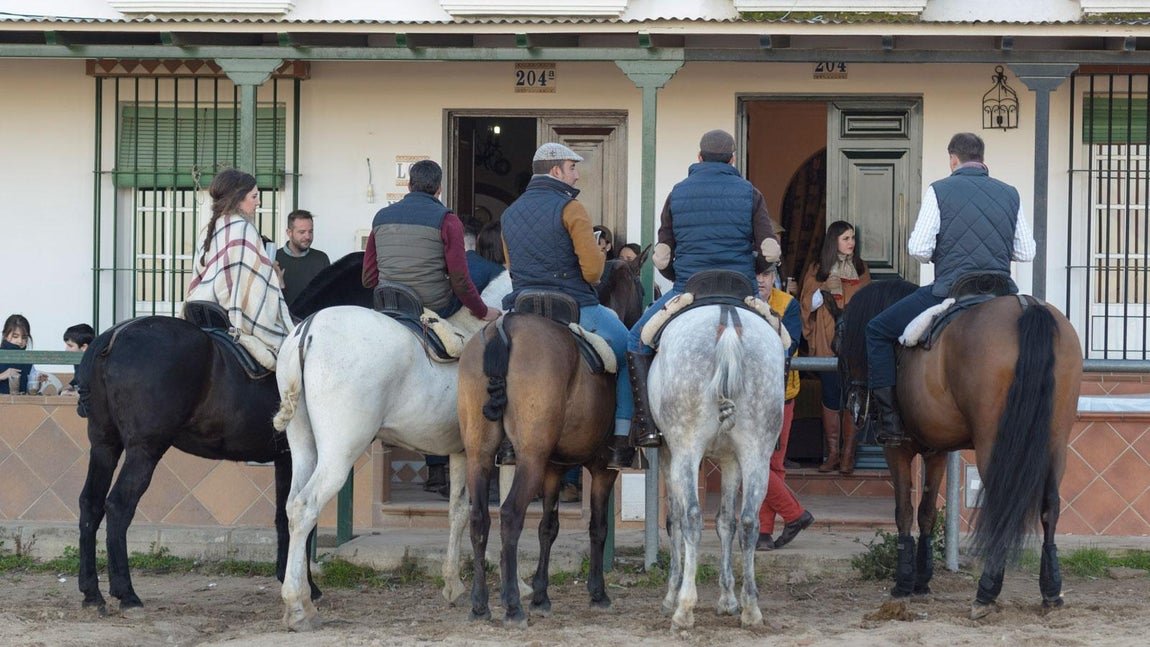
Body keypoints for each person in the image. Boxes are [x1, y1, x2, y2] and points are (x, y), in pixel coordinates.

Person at [866, 132, 1035, 446]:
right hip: (1001, 292)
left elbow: (918, 248)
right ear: (982, 159)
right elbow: (1026, 252)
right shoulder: (1010, 193)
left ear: (953, 159)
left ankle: (889, 422)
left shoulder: (939, 190)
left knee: (876, 330)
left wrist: (944, 252)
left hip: (951, 290)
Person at [626, 129, 781, 450]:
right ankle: (771, 429)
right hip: (742, 291)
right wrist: (751, 267)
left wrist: (677, 275)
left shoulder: (677, 193)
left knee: (636, 340)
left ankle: (645, 425)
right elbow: (769, 252)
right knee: (783, 342)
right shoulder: (750, 193)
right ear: (732, 159)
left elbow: (662, 256)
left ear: (699, 157)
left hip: (689, 290)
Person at [499, 142, 632, 469]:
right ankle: (622, 438)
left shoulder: (509, 213)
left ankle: (506, 440)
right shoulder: (572, 209)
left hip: (524, 309)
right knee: (630, 348)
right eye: (573, 168)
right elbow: (593, 272)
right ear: (556, 170)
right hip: (575, 306)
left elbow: (511, 267)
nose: (576, 176)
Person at [362, 159, 499, 324]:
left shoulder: (381, 217)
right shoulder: (448, 220)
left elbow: (368, 279)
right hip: (433, 306)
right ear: (439, 188)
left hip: (387, 302)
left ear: (409, 186)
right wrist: (483, 311)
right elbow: (460, 281)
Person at [186, 168, 293, 371]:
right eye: (254, 196)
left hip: (202, 310)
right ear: (238, 199)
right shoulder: (243, 229)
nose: (258, 202)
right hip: (230, 317)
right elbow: (254, 293)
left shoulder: (208, 230)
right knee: (290, 351)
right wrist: (273, 280)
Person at [800, 220, 870, 474]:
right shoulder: (817, 269)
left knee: (852, 395)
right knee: (830, 394)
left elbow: (868, 303)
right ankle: (833, 454)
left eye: (852, 238)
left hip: (853, 340)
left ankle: (848, 455)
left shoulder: (861, 269)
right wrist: (823, 289)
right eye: (846, 238)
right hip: (827, 340)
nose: (851, 243)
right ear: (834, 242)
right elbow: (806, 304)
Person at [755, 260, 814, 550]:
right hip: (748, 395)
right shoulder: (740, 302)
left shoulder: (788, 304)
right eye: (755, 274)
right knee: (752, 462)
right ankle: (794, 516)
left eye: (766, 274)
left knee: (773, 464)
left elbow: (788, 346)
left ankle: (764, 532)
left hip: (781, 394)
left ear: (774, 277)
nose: (760, 280)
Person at [275, 209, 331, 307]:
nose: (307, 236)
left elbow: (328, 295)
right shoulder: (274, 259)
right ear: (289, 232)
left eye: (310, 231)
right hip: (283, 316)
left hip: (314, 316)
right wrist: (279, 287)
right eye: (302, 232)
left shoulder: (321, 259)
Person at [0, 314, 33, 394]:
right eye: (15, 336)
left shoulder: (29, 360)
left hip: (20, 401)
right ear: (5, 335)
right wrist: (2, 375)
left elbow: (29, 389)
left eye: (24, 337)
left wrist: (38, 381)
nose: (20, 341)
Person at [62, 323, 95, 395]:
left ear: (84, 347)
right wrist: (70, 386)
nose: (66, 349)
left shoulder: (94, 364)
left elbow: (93, 389)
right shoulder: (78, 360)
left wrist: (75, 393)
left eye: (70, 346)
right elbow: (78, 378)